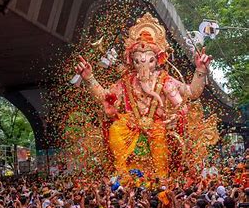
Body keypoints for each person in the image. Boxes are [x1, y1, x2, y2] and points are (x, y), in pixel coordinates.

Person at [74, 13, 215, 181]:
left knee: (159, 140)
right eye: (138, 61)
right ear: (132, 62)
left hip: (157, 125)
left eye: (149, 61)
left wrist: (200, 70)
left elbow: (191, 93)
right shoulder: (126, 81)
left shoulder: (165, 81)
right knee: (115, 130)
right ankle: (123, 175)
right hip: (130, 123)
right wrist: (89, 78)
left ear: (157, 61)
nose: (144, 66)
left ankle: (161, 179)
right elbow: (105, 96)